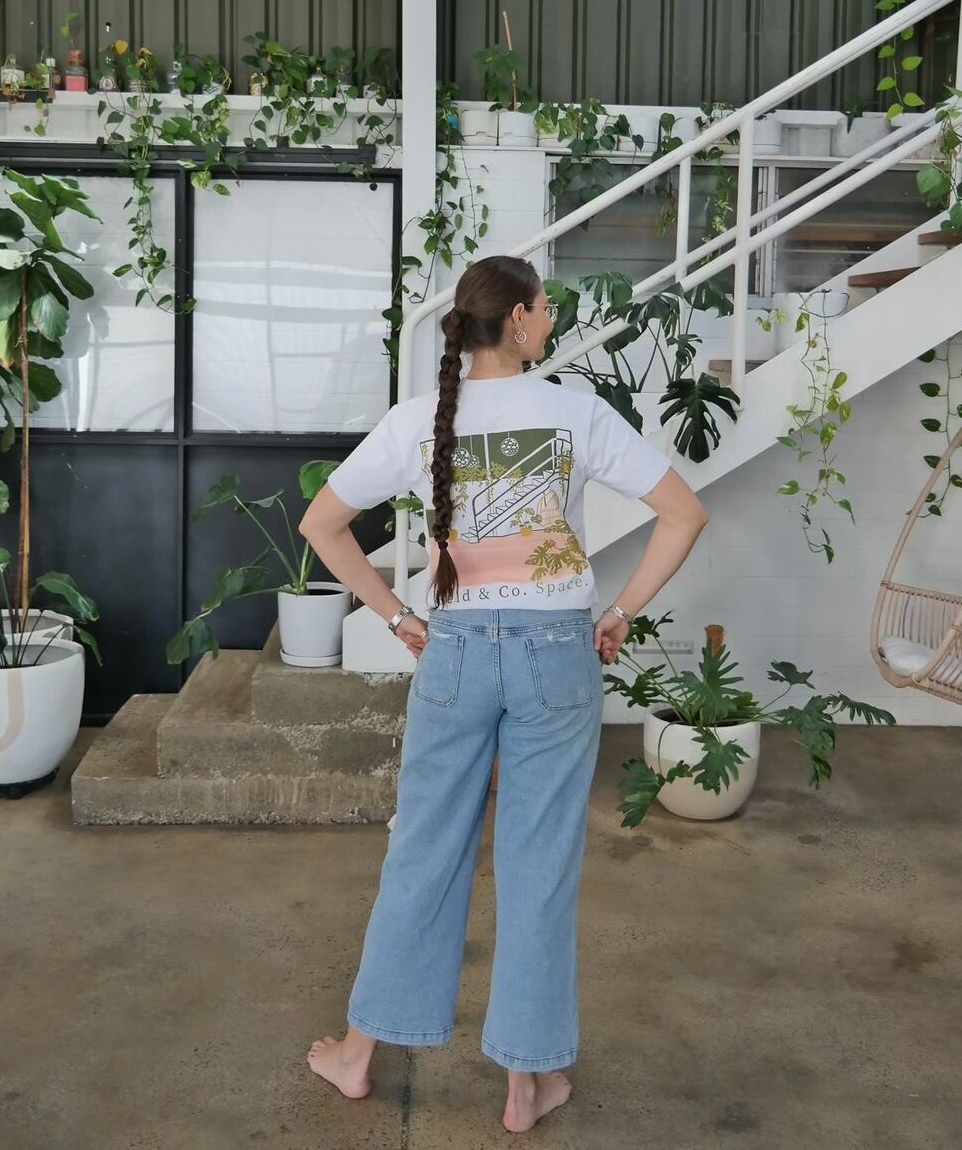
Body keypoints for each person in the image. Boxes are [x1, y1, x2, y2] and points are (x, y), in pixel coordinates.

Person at [298, 254, 708, 1133]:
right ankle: (526, 1085)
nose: (552, 319)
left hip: (453, 652)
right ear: (518, 319)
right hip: (557, 650)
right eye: (546, 308)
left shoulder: (417, 421)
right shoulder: (574, 413)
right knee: (539, 864)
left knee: (422, 851)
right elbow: (686, 513)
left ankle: (360, 1055)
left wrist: (397, 612)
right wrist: (623, 611)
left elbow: (320, 526)